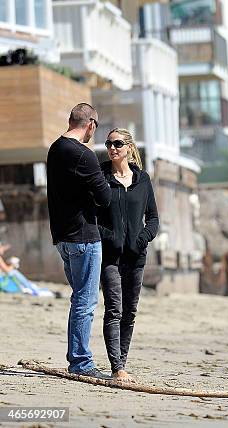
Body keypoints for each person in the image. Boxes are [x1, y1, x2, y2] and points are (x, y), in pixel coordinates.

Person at [47, 103, 112, 379]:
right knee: (85, 302)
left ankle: (78, 358)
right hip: (84, 236)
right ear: (91, 125)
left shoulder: (55, 149)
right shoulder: (83, 155)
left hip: (62, 237)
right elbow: (105, 198)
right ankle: (81, 362)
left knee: (79, 300)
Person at [97, 128, 159, 383]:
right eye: (108, 143)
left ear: (129, 148)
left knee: (129, 312)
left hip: (136, 257)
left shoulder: (142, 179)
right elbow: (89, 217)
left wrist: (142, 238)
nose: (112, 148)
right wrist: (109, 236)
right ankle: (117, 368)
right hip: (109, 256)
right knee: (114, 309)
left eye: (117, 143)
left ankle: (122, 361)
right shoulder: (100, 177)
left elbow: (153, 218)